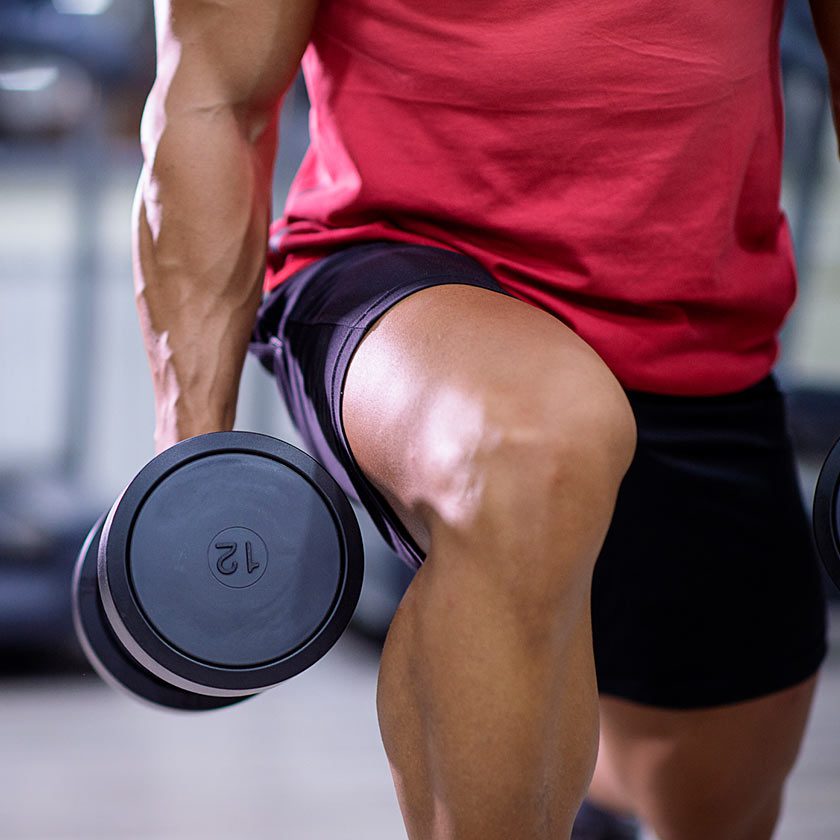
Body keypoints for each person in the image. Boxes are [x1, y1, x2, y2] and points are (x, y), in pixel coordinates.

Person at [131, 1, 838, 838]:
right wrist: (194, 471)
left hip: (695, 327)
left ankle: (583, 781)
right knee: (527, 444)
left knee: (708, 789)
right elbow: (215, 97)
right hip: (399, 271)